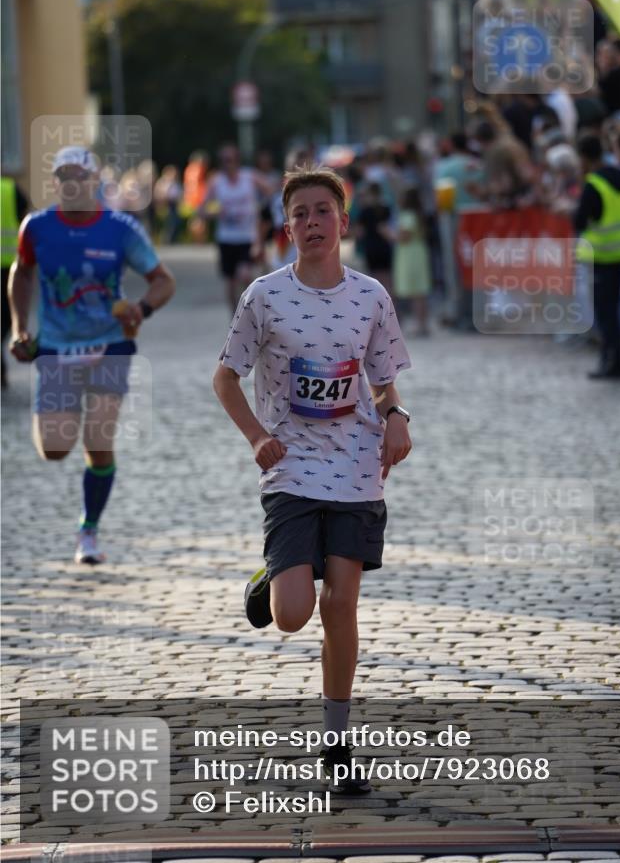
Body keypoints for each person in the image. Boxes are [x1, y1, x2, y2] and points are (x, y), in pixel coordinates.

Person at [213, 164, 411, 794]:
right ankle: (274, 574)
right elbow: (225, 378)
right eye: (300, 213)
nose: (312, 222)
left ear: (344, 222)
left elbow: (383, 382)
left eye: (323, 210)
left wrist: (397, 417)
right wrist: (257, 437)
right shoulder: (264, 296)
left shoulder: (371, 297)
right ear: (286, 227)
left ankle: (337, 744)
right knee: (293, 614)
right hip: (291, 467)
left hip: (355, 465)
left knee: (341, 604)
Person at [8, 146, 175, 564]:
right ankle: (72, 417)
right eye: (63, 176)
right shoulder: (37, 227)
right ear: (55, 183)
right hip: (56, 347)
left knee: (98, 440)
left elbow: (163, 280)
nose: (71, 184)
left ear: (94, 181)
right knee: (54, 448)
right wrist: (20, 327)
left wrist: (141, 309)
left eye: (78, 176)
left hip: (109, 344)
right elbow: (21, 272)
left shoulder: (120, 228)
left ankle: (89, 530)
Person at [573, 134, 620, 379]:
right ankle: (615, 360)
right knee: (613, 309)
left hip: (601, 254)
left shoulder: (594, 183)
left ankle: (613, 362)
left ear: (584, 157)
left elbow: (580, 220)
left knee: (605, 312)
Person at [203, 144, 262, 314]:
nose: (226, 164)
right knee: (230, 283)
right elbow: (201, 210)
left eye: (229, 160)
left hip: (246, 236)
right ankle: (235, 318)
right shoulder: (216, 182)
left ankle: (251, 311)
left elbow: (271, 190)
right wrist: (216, 213)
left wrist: (262, 210)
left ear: (237, 160)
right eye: (223, 160)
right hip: (226, 238)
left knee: (245, 275)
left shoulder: (249, 176)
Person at [1, 173, 28, 388]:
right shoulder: (11, 188)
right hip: (9, 264)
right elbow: (23, 218)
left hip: (9, 265)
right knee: (5, 315)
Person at [393, 187, 432, 336]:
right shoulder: (418, 214)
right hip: (418, 251)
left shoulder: (408, 215)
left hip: (410, 254)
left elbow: (405, 237)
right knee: (420, 291)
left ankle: (420, 325)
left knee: (416, 291)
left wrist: (389, 234)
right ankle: (423, 324)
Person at [354, 181, 393, 292]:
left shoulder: (365, 211)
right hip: (385, 246)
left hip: (371, 247)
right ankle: (390, 300)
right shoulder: (386, 208)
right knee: (387, 278)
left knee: (374, 280)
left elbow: (359, 233)